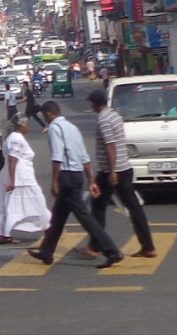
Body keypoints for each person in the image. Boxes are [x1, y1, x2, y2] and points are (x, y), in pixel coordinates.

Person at [26, 100, 123, 268]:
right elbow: (84, 156)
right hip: (77, 175)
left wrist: (55, 182)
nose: (44, 118)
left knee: (85, 217)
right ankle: (46, 252)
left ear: (49, 114)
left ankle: (112, 251)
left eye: (44, 115)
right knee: (58, 217)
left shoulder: (55, 128)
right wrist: (91, 180)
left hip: (67, 176)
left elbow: (57, 157)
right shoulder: (72, 128)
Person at [87, 86, 157, 257]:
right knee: (134, 207)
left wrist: (112, 172)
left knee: (98, 206)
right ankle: (148, 246)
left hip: (110, 171)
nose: (91, 107)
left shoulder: (104, 119)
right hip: (124, 168)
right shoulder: (115, 115)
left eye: (91, 103)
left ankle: (95, 246)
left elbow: (110, 145)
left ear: (96, 104)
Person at [0, 118, 48, 244]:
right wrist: (12, 180)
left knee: (9, 205)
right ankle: (48, 227)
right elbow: (12, 159)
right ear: (21, 126)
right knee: (37, 201)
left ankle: (5, 233)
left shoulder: (12, 137)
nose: (28, 128)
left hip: (17, 177)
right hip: (21, 178)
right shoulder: (16, 138)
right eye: (27, 125)